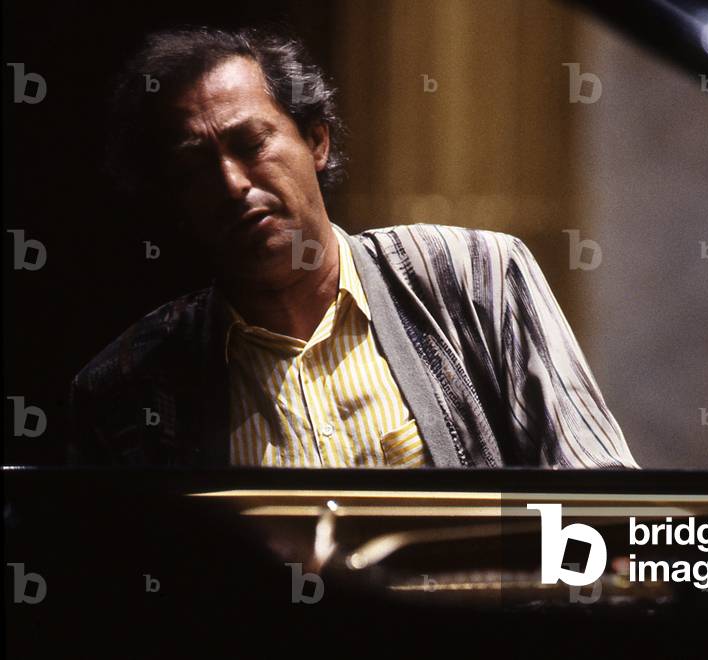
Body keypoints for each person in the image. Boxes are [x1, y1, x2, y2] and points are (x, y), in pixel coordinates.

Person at [68, 26, 638, 469]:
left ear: (316, 139)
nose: (232, 184)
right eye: (194, 169)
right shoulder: (133, 380)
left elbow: (598, 495)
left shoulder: (474, 275)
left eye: (251, 143)